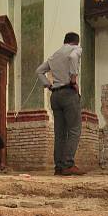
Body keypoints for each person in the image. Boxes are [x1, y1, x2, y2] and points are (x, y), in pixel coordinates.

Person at [36, 32, 84, 176]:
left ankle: (58, 167)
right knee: (75, 130)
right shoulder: (75, 49)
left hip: (55, 95)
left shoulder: (54, 55)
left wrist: (48, 85)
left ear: (64, 41)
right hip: (68, 92)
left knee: (60, 133)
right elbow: (73, 57)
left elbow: (39, 71)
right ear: (76, 42)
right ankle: (68, 164)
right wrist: (74, 80)